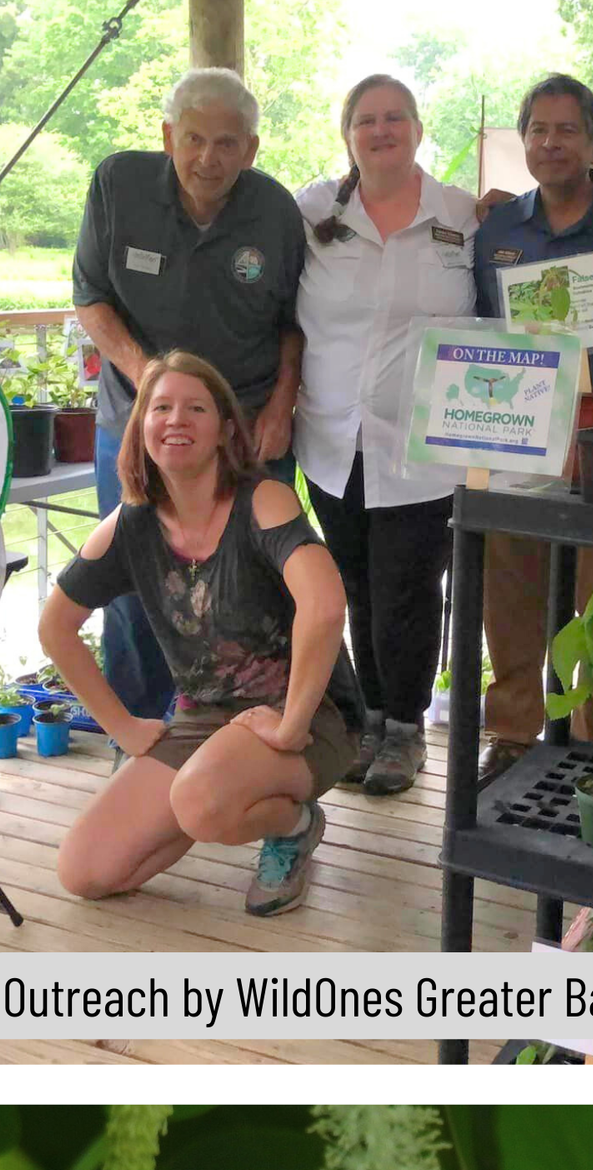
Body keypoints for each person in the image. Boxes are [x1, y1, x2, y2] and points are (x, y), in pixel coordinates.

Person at [39, 352, 366, 916]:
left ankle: (292, 824)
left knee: (200, 802)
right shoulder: (130, 524)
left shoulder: (262, 501)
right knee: (85, 872)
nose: (176, 420)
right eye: (160, 407)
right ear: (140, 427)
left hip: (306, 720)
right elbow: (55, 626)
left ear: (224, 430)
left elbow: (325, 603)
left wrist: (290, 726)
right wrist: (122, 726)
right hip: (204, 722)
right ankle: (215, 797)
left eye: (196, 407)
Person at [70, 68, 308, 723]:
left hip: (245, 433)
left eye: (227, 143)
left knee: (257, 589)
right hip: (142, 429)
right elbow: (91, 298)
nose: (209, 158)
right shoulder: (118, 185)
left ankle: (260, 740)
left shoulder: (274, 210)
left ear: (251, 149)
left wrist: (282, 404)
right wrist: (148, 377)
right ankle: (143, 738)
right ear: (168, 134)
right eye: (195, 139)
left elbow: (294, 323)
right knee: (134, 584)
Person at [293, 74, 481, 796]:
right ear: (348, 133)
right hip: (334, 438)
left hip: (426, 444)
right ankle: (369, 720)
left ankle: (407, 729)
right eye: (366, 120)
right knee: (353, 585)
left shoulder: (462, 215)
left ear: (418, 128)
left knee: (408, 587)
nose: (381, 130)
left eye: (394, 117)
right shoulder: (312, 212)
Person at [470, 72, 593, 786]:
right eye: (538, 130)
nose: (550, 143)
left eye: (566, 129)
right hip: (516, 433)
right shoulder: (497, 230)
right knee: (509, 593)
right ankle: (511, 735)